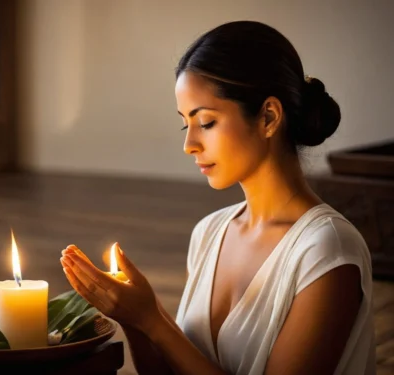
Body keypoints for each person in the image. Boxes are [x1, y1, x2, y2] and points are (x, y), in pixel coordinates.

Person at [60, 20, 376, 375]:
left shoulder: (326, 249)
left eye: (206, 122)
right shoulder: (209, 232)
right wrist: (133, 318)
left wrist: (154, 320)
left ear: (268, 117)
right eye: (186, 124)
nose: (189, 144)